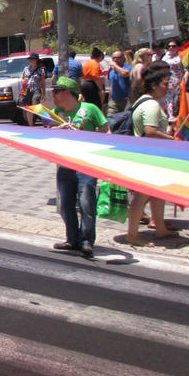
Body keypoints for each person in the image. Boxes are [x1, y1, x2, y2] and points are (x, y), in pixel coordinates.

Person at [50, 76, 108, 258]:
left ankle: (86, 241)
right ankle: (72, 238)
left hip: (85, 164)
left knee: (86, 203)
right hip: (65, 164)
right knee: (66, 204)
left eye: (56, 91)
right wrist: (58, 129)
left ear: (68, 92)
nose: (53, 95)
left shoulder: (89, 109)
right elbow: (44, 132)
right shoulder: (56, 112)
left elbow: (105, 130)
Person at [125, 62, 175, 247]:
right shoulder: (152, 105)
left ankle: (160, 228)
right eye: (165, 84)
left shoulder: (142, 101)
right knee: (142, 195)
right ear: (154, 85)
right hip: (150, 156)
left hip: (147, 154)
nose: (167, 88)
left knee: (156, 194)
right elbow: (151, 131)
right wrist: (171, 138)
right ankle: (132, 235)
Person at [162, 39, 187, 124]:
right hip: (169, 80)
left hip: (180, 80)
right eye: (169, 46)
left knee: (178, 98)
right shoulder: (165, 57)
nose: (171, 48)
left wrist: (184, 79)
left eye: (173, 46)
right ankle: (170, 116)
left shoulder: (181, 56)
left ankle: (180, 115)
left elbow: (185, 68)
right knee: (169, 99)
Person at [21, 53, 47, 127]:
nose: (30, 60)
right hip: (27, 90)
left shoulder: (41, 69)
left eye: (32, 59)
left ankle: (45, 120)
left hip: (36, 89)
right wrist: (23, 81)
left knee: (36, 106)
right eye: (29, 59)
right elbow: (23, 78)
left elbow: (43, 82)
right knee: (29, 107)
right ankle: (31, 125)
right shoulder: (26, 68)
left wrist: (44, 93)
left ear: (36, 60)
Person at [106, 49, 132, 116]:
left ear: (123, 58)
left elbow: (125, 73)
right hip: (114, 100)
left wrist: (114, 66)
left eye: (117, 58)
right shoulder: (112, 70)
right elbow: (111, 85)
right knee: (110, 118)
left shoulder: (128, 67)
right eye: (113, 58)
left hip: (126, 100)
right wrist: (109, 99)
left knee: (125, 120)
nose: (115, 60)